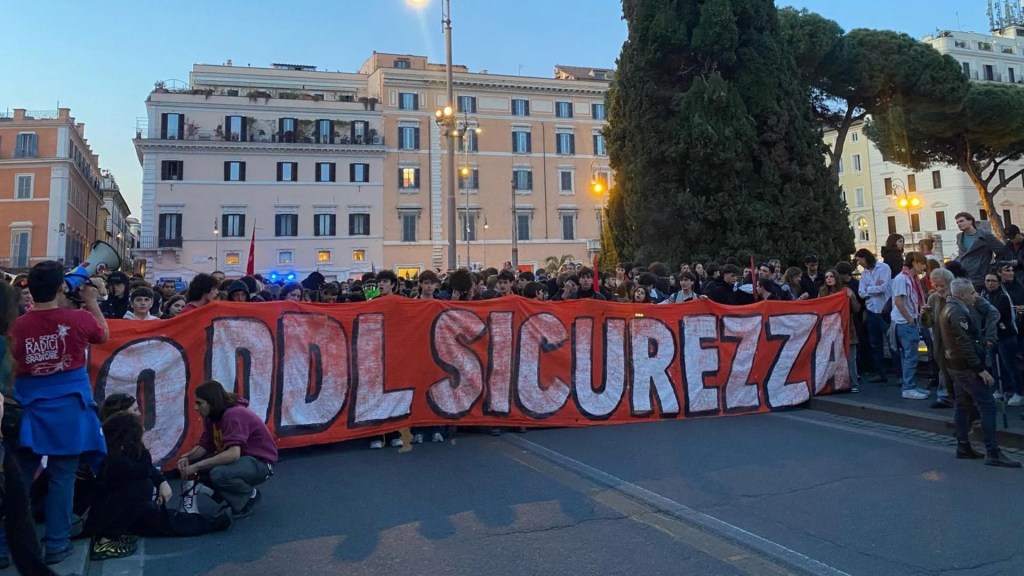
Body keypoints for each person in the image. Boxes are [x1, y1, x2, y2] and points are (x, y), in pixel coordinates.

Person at [3, 261, 109, 565]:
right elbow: (102, 335)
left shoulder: (16, 325)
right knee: (63, 477)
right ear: (62, 287)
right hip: (69, 407)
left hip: (27, 406)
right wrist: (91, 301)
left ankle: (2, 547)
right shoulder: (78, 318)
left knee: (17, 480)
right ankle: (57, 544)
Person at [87, 412, 232, 560]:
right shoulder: (114, 457)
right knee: (144, 491)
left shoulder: (118, 448)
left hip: (122, 511)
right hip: (106, 514)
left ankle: (211, 522)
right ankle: (105, 541)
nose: (138, 413)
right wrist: (142, 449)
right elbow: (143, 469)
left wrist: (161, 481)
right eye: (135, 409)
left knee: (165, 517)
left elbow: (143, 468)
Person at [938, 278, 1021, 467]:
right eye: (972, 293)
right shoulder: (957, 312)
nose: (975, 297)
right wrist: (980, 369)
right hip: (966, 366)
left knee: (963, 404)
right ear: (961, 295)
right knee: (987, 405)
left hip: (956, 364)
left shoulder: (950, 308)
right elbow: (964, 342)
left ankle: (963, 445)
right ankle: (992, 451)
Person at [176, 380, 278, 519]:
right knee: (199, 466)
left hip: (261, 463)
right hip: (243, 460)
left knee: (218, 473)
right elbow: (204, 446)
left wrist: (196, 466)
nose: (195, 407)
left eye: (199, 403)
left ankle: (248, 498)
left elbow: (233, 454)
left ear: (211, 402)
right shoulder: (212, 417)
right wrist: (186, 457)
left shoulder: (234, 415)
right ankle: (231, 498)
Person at [891, 252, 930, 400]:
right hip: (905, 322)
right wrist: (909, 319)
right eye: (921, 263)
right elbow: (899, 301)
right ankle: (908, 387)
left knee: (909, 356)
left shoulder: (910, 278)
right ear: (914, 263)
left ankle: (909, 384)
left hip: (907, 320)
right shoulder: (903, 279)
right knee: (911, 356)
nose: (924, 267)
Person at [981, 271, 1020, 406]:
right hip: (992, 336)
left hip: (1005, 335)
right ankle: (1001, 389)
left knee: (1010, 365)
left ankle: (1018, 392)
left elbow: (995, 315)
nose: (990, 283)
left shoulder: (1002, 296)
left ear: (998, 282)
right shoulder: (984, 295)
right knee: (995, 364)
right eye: (987, 281)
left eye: (993, 281)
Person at [820, 269, 861, 391]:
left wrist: (851, 297)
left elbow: (856, 309)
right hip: (829, 332)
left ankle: (853, 383)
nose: (828, 278)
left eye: (831, 276)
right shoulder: (822, 292)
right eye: (826, 277)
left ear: (836, 278)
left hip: (847, 329)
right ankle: (831, 384)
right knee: (830, 359)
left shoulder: (846, 291)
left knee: (850, 358)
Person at [856, 249, 892, 383]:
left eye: (859, 260)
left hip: (884, 311)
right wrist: (873, 288)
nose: (858, 263)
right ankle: (880, 373)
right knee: (875, 343)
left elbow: (884, 287)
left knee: (891, 342)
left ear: (865, 258)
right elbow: (861, 293)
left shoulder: (884, 268)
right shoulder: (864, 274)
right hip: (871, 311)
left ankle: (900, 374)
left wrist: (869, 289)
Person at [922, 268, 956, 409]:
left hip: (955, 340)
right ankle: (945, 396)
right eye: (936, 285)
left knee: (958, 369)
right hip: (940, 339)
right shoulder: (933, 298)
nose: (939, 289)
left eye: (942, 285)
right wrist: (924, 315)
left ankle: (958, 396)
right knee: (943, 367)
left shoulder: (956, 296)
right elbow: (928, 323)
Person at [954, 212, 1004, 290]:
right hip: (965, 276)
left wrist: (993, 267)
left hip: (980, 277)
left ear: (970, 221)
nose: (959, 224)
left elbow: (1003, 251)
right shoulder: (959, 237)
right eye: (957, 222)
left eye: (961, 221)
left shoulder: (985, 236)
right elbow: (961, 254)